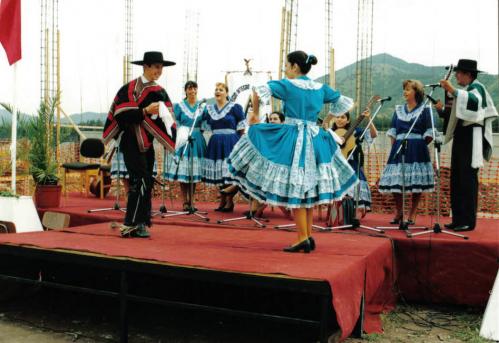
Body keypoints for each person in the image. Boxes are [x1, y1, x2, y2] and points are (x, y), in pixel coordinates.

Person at [227, 50, 357, 253]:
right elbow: (345, 102)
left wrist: (255, 116)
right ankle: (306, 236)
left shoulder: (288, 85)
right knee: (308, 188)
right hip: (315, 138)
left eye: (286, 66)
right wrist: (328, 119)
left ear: (295, 66)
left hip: (293, 137)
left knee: (296, 187)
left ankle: (302, 238)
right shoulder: (320, 88)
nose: (285, 70)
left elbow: (258, 88)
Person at [103, 51, 176, 238]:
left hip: (147, 143)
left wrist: (164, 120)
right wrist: (143, 111)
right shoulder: (129, 89)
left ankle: (141, 222)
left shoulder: (159, 92)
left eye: (161, 68)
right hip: (131, 141)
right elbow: (120, 114)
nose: (159, 71)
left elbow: (167, 117)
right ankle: (131, 223)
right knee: (140, 180)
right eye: (156, 67)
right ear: (146, 67)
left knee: (147, 181)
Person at [436, 59, 498, 232]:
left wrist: (452, 90)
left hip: (472, 137)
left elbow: (474, 103)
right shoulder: (466, 90)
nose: (456, 75)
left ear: (468, 74)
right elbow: (459, 113)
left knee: (467, 179)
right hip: (462, 137)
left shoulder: (476, 88)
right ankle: (458, 218)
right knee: (457, 178)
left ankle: (468, 220)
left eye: (459, 72)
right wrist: (442, 110)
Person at [378, 80, 435, 225]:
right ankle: (399, 211)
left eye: (408, 89)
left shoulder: (425, 109)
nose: (405, 92)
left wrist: (419, 145)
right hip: (399, 146)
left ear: (417, 92)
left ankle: (413, 212)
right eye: (404, 89)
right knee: (396, 181)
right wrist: (394, 149)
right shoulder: (398, 110)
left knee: (417, 182)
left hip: (417, 149)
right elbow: (393, 131)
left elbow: (429, 132)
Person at [201, 82, 246, 212]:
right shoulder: (209, 109)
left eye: (221, 89)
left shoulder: (235, 107)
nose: (218, 91)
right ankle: (222, 200)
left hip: (231, 140)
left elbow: (242, 127)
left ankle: (229, 201)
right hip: (215, 141)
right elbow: (203, 125)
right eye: (216, 89)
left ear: (227, 93)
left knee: (228, 172)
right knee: (220, 172)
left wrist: (237, 142)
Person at [164, 81, 207, 211]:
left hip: (196, 138)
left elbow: (204, 125)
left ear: (197, 90)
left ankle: (192, 201)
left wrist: (197, 132)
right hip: (183, 138)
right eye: (189, 88)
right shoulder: (180, 106)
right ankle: (184, 201)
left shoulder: (202, 106)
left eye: (194, 88)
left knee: (194, 172)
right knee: (183, 171)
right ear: (186, 91)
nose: (192, 90)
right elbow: (174, 123)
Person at [332, 110, 377, 216]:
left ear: (348, 120)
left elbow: (373, 135)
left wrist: (369, 119)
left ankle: (353, 212)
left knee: (356, 183)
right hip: (335, 165)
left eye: (343, 117)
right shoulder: (331, 132)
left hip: (352, 164)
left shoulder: (355, 131)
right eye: (337, 117)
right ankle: (338, 213)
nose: (339, 119)